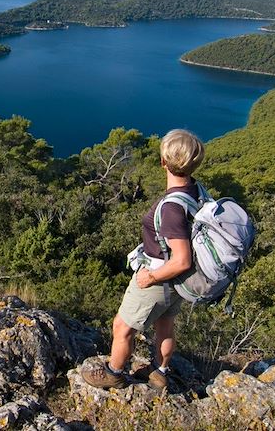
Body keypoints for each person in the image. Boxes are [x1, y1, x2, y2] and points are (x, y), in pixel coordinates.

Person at [81, 129, 205, 390]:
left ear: (163, 163)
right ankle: (159, 372)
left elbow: (181, 259)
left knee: (123, 326)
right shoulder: (196, 191)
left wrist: (151, 276)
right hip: (179, 283)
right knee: (165, 324)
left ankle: (114, 373)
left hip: (161, 276)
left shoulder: (171, 207)